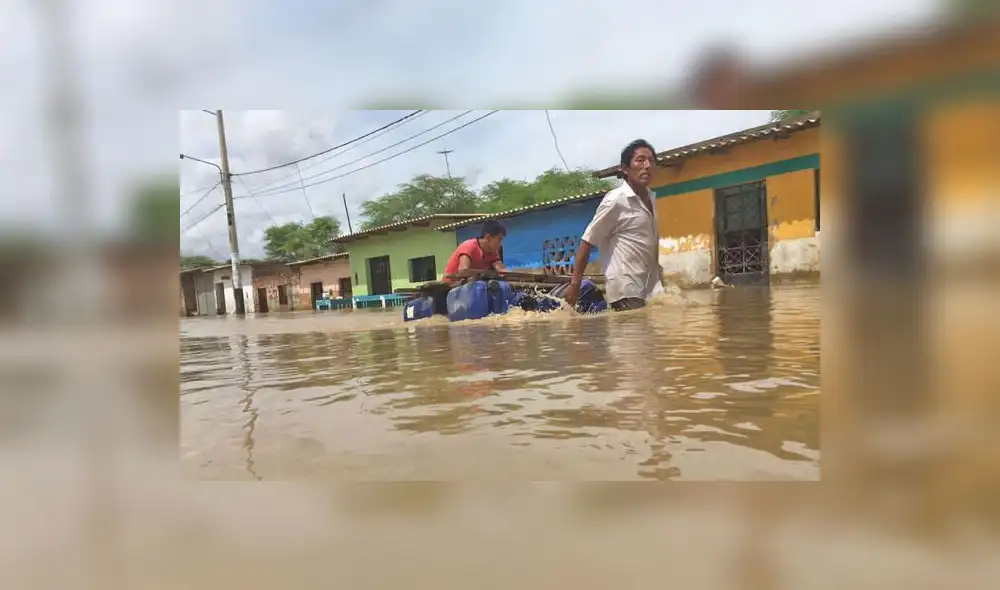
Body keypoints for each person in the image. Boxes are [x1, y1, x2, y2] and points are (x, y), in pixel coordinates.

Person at [564, 139, 665, 311]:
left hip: (650, 288)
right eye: (640, 160)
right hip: (626, 289)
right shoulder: (616, 200)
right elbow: (587, 242)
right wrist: (575, 284)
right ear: (625, 168)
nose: (647, 165)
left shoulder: (651, 198)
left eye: (651, 161)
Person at [443, 219, 508, 281]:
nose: (501, 244)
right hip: (451, 286)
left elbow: (502, 270)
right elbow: (463, 270)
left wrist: (515, 274)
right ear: (488, 237)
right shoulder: (469, 246)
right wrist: (489, 274)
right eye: (499, 239)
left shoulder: (493, 252)